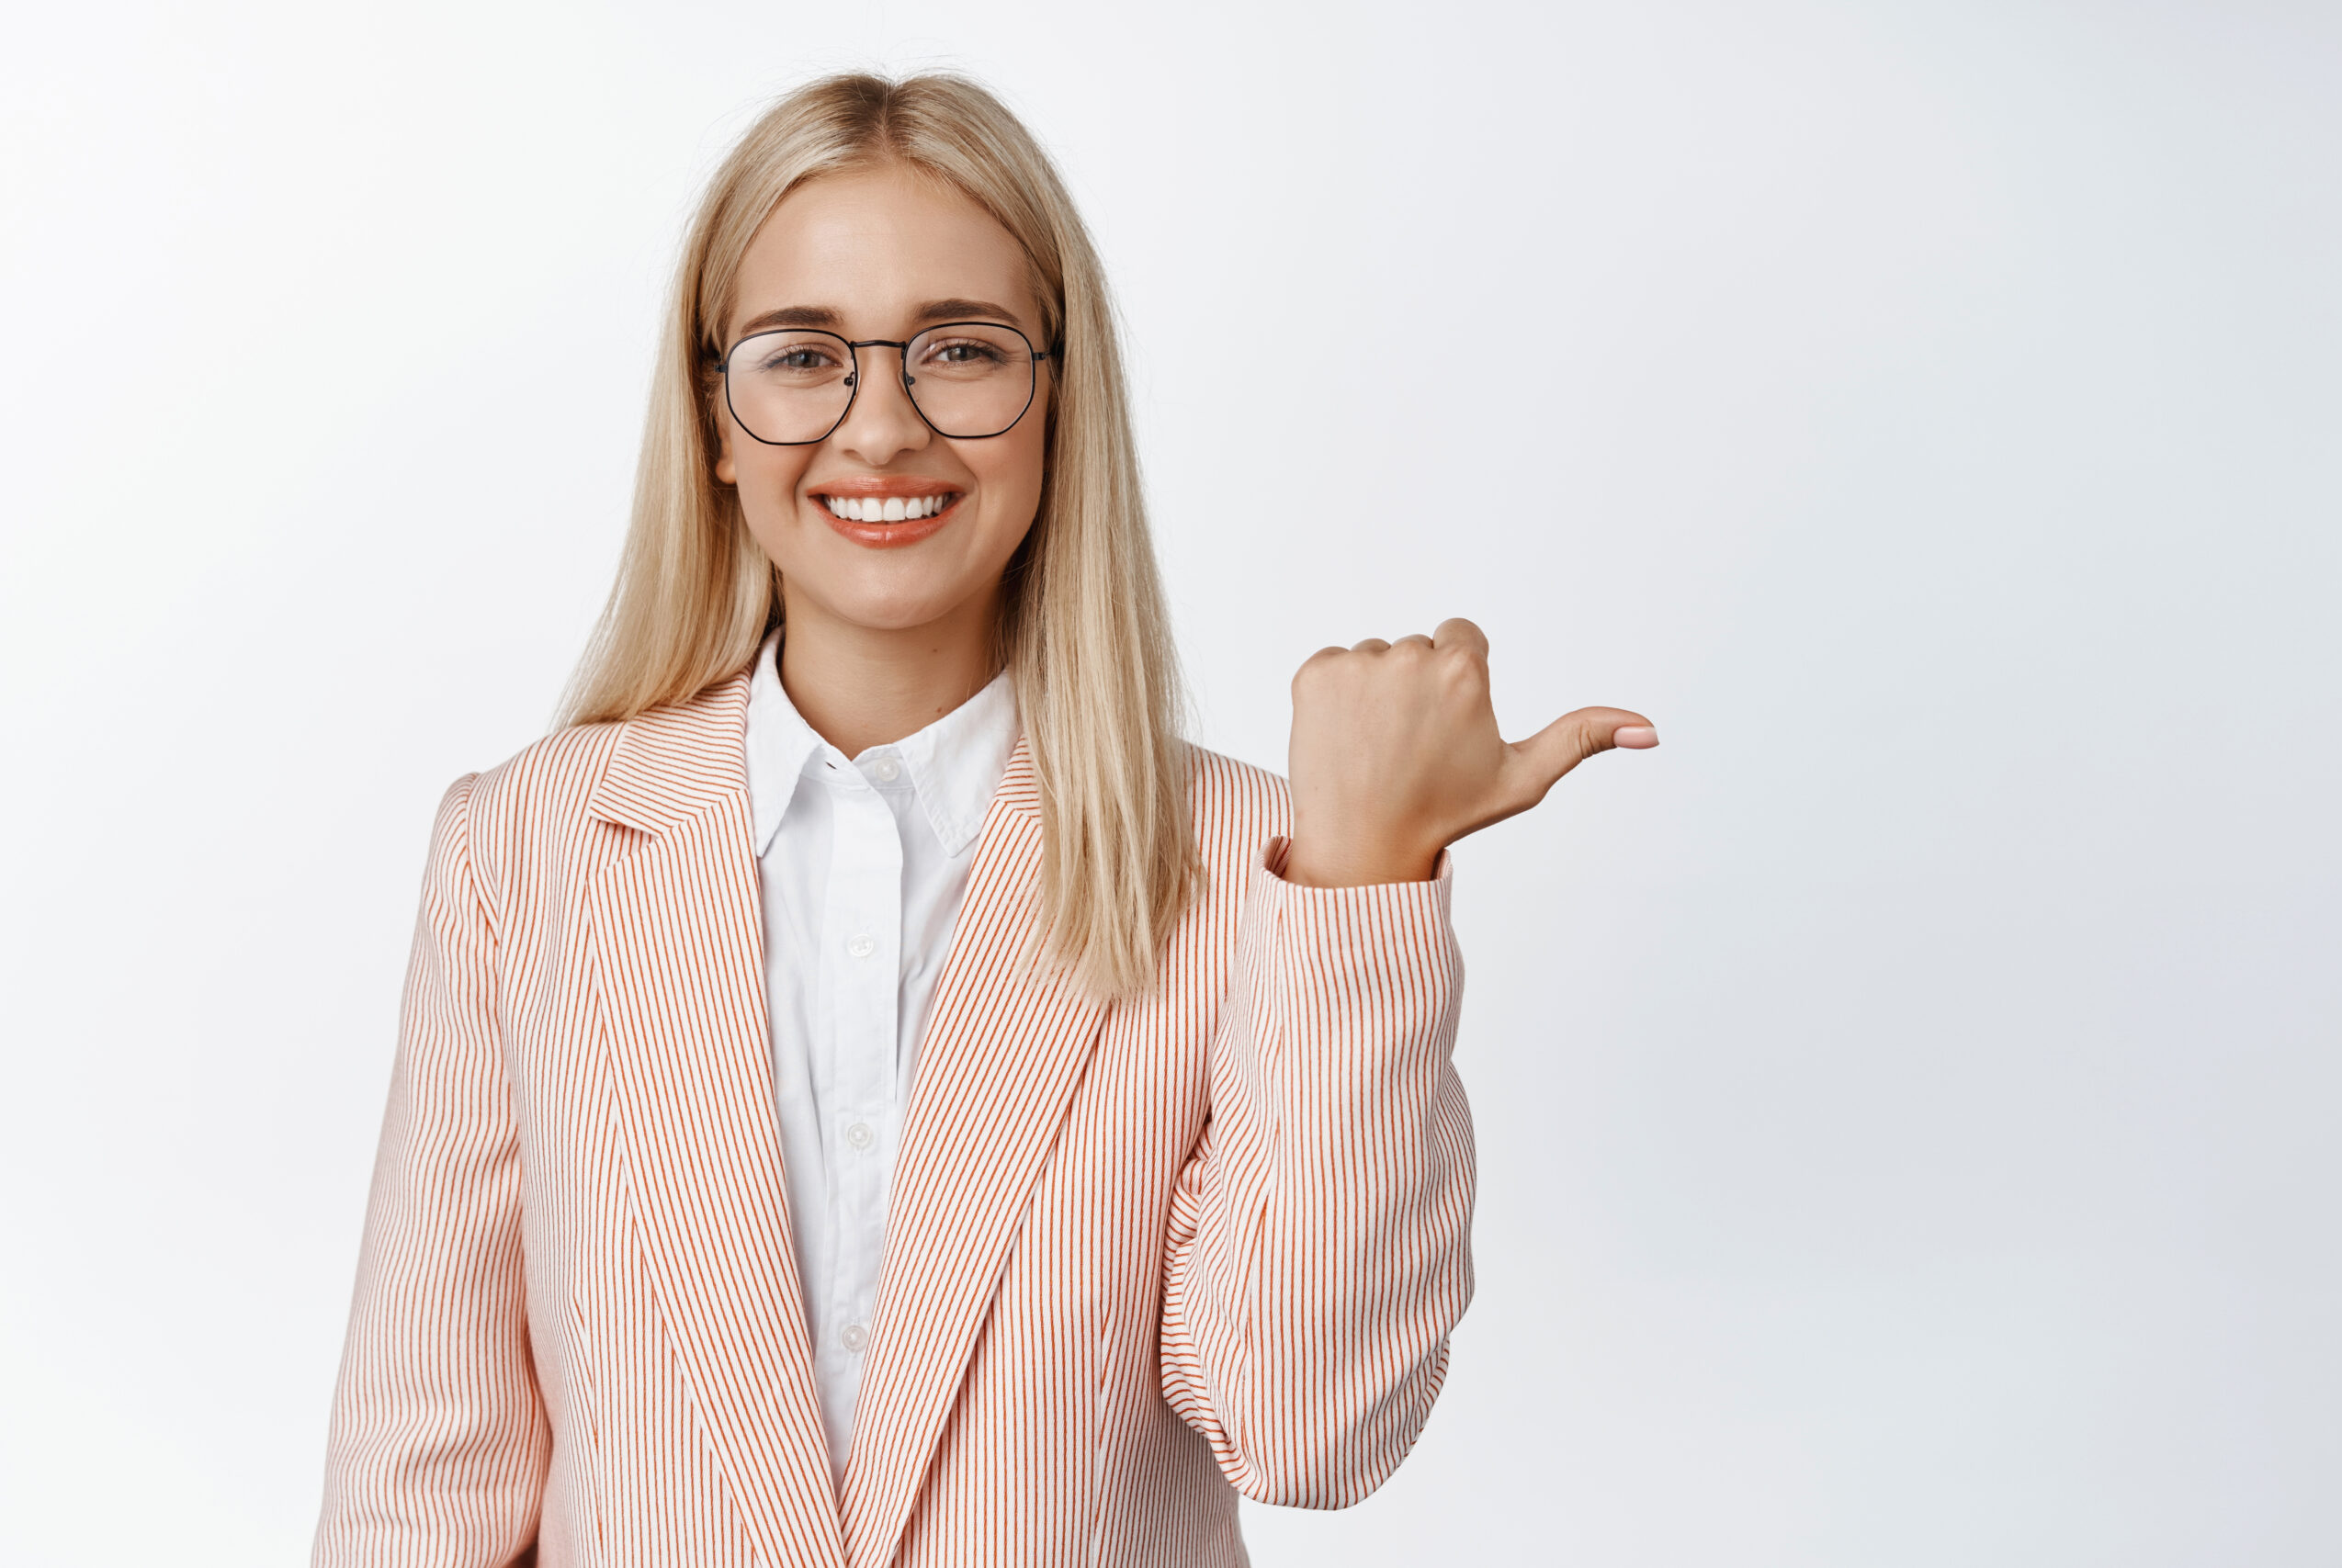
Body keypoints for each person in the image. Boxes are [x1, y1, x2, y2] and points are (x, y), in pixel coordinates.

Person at [313, 71, 1657, 1568]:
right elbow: (420, 1486)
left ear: (1057, 400)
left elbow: (1305, 1428)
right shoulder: (530, 850)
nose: (879, 427)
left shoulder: (1247, 865)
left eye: (959, 349)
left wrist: (1362, 879)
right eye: (803, 356)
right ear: (715, 420)